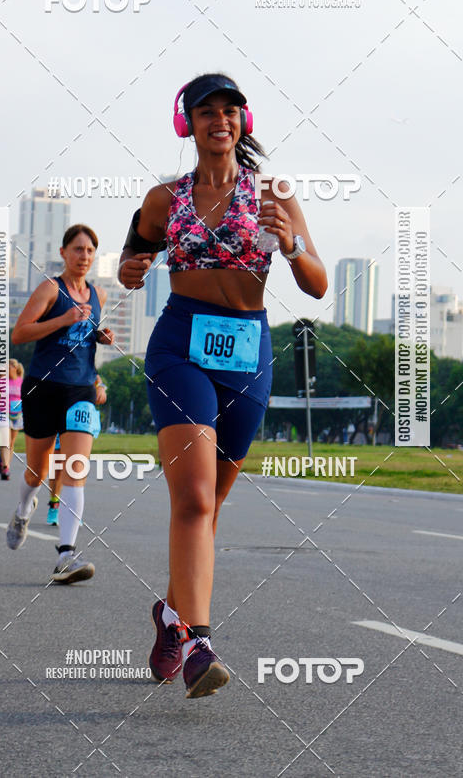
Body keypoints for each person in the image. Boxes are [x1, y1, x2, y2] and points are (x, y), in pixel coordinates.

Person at [119, 73, 327, 698]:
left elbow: (316, 284)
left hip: (248, 351)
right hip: (181, 346)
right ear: (188, 124)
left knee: (211, 510)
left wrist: (290, 246)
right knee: (195, 500)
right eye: (206, 111)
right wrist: (130, 269)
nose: (220, 120)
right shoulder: (164, 199)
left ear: (244, 121)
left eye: (230, 110)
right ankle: (199, 643)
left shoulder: (274, 196)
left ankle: (169, 614)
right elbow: (133, 268)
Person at [5, 225, 114, 583]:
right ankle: (23, 509)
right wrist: (63, 319)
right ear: (64, 253)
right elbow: (20, 333)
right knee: (37, 470)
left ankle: (66, 554)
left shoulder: (98, 294)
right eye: (78, 249)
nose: (84, 256)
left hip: (80, 390)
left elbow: (86, 345)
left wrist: (100, 338)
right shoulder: (51, 289)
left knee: (75, 468)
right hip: (42, 388)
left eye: (89, 251)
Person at [46, 375, 107, 526]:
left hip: (80, 415)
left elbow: (99, 385)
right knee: (57, 466)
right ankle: (54, 505)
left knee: (77, 465)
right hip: (58, 412)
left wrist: (101, 388)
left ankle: (72, 510)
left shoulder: (86, 360)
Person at [0, 359, 24, 480]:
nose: (5, 369)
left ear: (14, 368)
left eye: (7, 367)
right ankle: (5, 467)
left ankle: (6, 463)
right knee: (5, 440)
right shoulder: (2, 381)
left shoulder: (21, 382)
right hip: (3, 412)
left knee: (11, 442)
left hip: (17, 414)